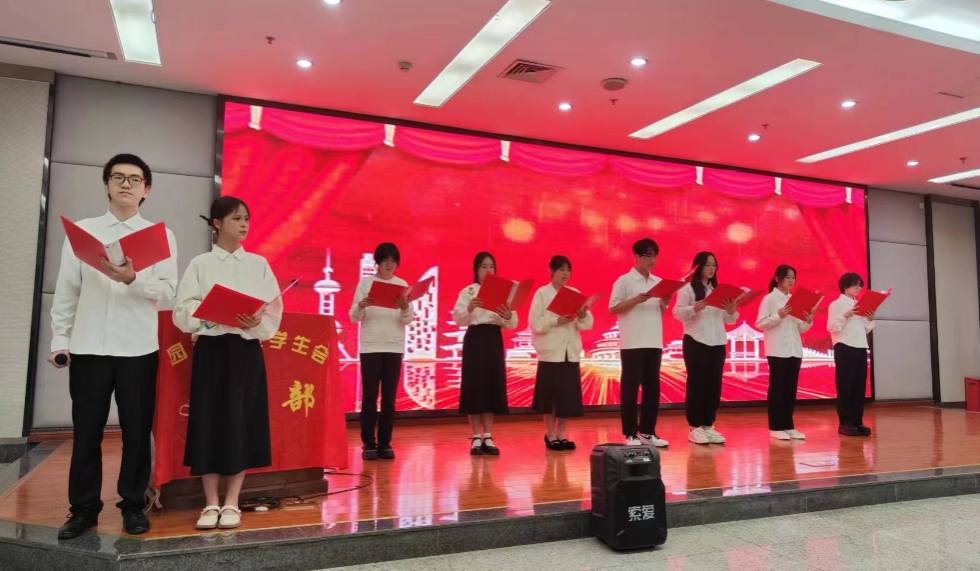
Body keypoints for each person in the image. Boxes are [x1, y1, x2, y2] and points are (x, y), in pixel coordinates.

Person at [49, 154, 178, 539]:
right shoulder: (84, 232)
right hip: (89, 347)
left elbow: (168, 290)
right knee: (86, 434)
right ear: (106, 184)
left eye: (135, 179)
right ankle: (83, 510)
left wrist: (132, 279)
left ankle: (133, 505)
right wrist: (60, 340)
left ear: (146, 190)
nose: (126, 184)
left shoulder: (160, 236)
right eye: (118, 177)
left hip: (138, 349)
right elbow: (67, 290)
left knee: (136, 434)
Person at [173, 197, 283, 530]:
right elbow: (181, 312)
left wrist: (256, 323)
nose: (244, 224)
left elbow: (273, 312)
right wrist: (211, 316)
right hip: (211, 351)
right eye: (236, 218)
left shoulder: (258, 264)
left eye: (247, 218)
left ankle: (232, 502)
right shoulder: (201, 264)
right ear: (217, 223)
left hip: (245, 351)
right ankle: (210, 503)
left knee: (240, 422)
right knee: (208, 421)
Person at [349, 243, 414, 461]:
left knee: (389, 398)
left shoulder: (401, 284)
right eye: (385, 260)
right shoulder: (366, 284)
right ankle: (368, 442)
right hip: (371, 347)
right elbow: (353, 317)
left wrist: (404, 307)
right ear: (377, 262)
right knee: (369, 397)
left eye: (393, 261)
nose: (389, 264)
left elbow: (408, 319)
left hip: (394, 347)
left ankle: (385, 443)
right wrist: (361, 305)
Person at [453, 252, 517, 455]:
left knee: (491, 385)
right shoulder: (468, 291)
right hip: (475, 339)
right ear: (476, 270)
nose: (488, 270)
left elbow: (512, 322)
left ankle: (488, 435)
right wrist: (469, 308)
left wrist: (508, 315)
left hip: (493, 339)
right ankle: (475, 436)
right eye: (484, 267)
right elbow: (458, 319)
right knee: (474, 386)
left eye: (491, 267)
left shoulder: (503, 291)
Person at [609, 238, 670, 447]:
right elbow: (613, 308)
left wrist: (664, 303)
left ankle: (647, 432)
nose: (652, 260)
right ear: (636, 256)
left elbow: (660, 312)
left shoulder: (658, 282)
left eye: (655, 256)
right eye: (647, 255)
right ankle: (630, 433)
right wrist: (636, 299)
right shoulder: (624, 281)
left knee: (652, 389)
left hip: (654, 341)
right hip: (633, 342)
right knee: (630, 389)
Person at [529, 255, 593, 451]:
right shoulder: (542, 293)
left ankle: (562, 434)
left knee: (566, 396)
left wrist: (582, 314)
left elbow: (587, 323)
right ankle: (550, 434)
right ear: (552, 271)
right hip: (550, 353)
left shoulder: (574, 293)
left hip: (569, 351)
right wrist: (555, 321)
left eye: (568, 270)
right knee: (550, 397)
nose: (565, 274)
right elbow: (535, 323)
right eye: (561, 270)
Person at [673, 252, 737, 445]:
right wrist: (694, 308)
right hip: (696, 340)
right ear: (698, 266)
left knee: (714, 385)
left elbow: (727, 319)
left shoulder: (717, 290)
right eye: (708, 265)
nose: (711, 268)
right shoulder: (688, 288)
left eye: (714, 265)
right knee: (697, 384)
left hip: (717, 341)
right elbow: (677, 312)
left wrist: (731, 310)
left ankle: (708, 425)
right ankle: (695, 427)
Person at [756, 265, 813, 441]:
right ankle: (776, 427)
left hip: (794, 349)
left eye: (793, 277)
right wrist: (778, 315)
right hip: (777, 349)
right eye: (788, 277)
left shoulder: (795, 299)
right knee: (777, 389)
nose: (791, 280)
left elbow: (800, 328)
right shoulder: (769, 299)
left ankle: (788, 425)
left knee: (790, 389)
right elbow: (760, 324)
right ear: (777, 279)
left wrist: (808, 320)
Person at [827, 272, 875, 437]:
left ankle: (857, 421)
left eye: (860, 285)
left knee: (859, 386)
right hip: (844, 346)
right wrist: (846, 315)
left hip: (860, 346)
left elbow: (866, 329)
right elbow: (831, 326)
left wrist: (870, 318)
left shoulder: (860, 304)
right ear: (845, 286)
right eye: (855, 284)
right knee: (845, 386)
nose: (858, 288)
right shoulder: (837, 304)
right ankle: (845, 423)